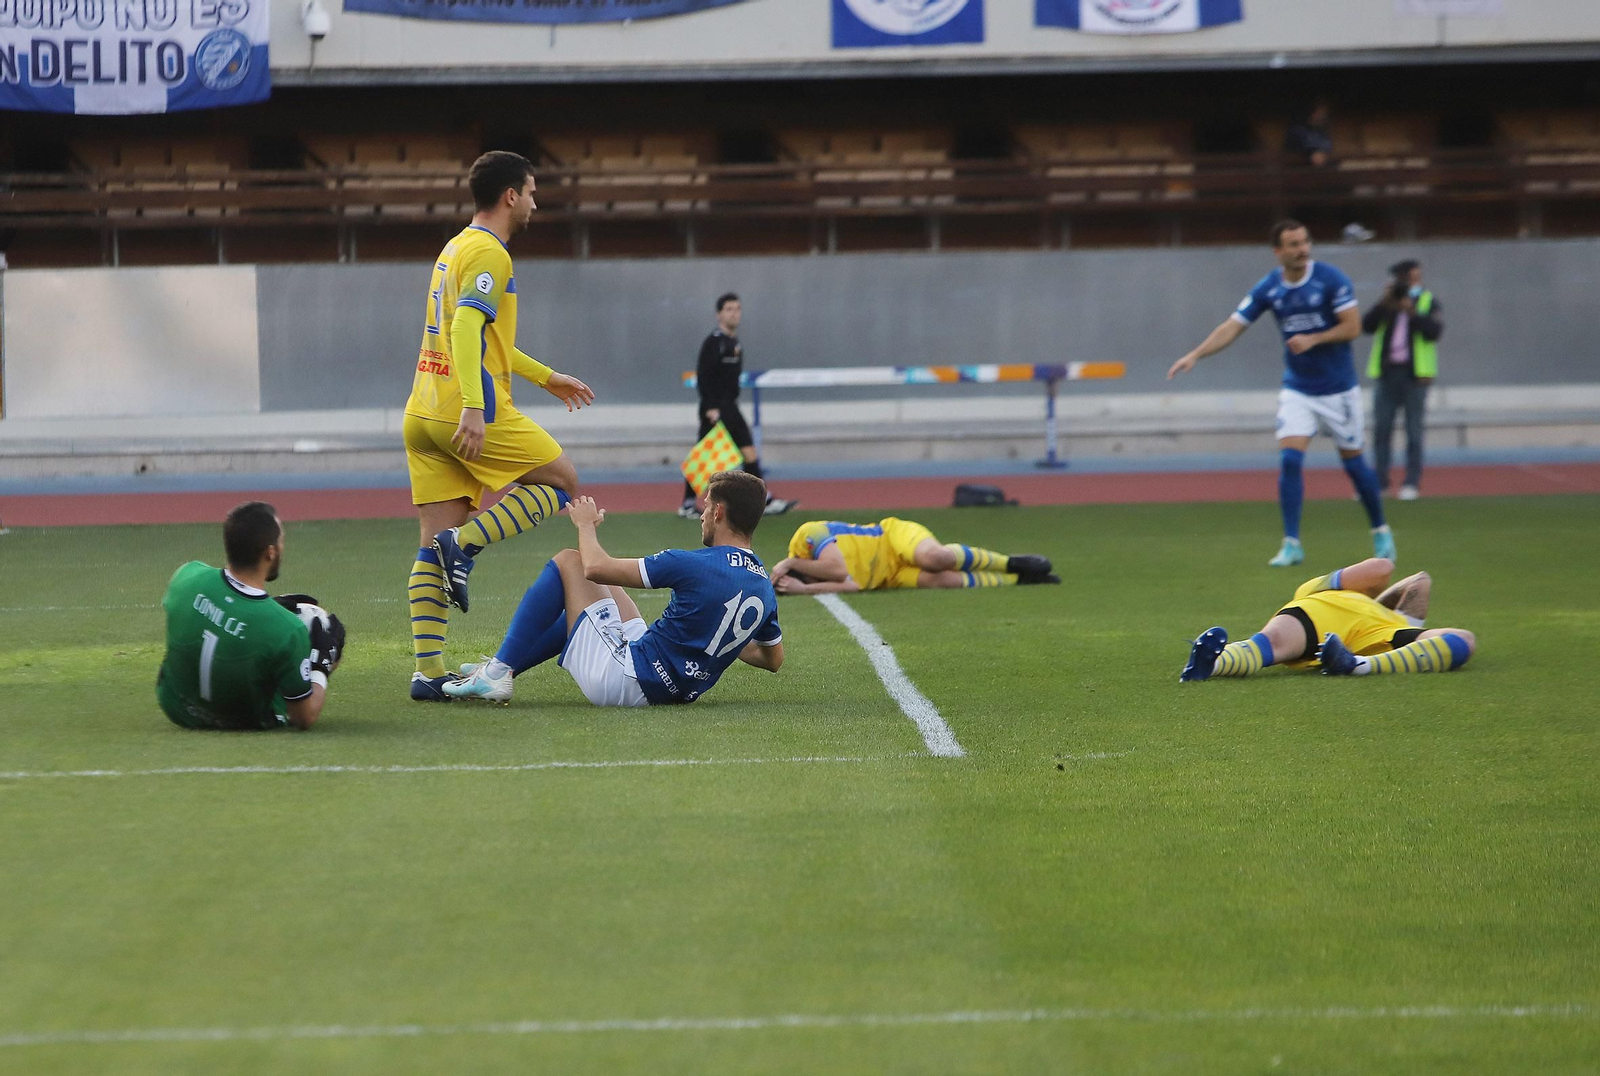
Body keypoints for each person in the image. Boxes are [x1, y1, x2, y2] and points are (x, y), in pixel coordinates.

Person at [403, 150, 597, 702]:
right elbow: (466, 329)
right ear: (511, 195)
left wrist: (545, 377)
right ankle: (462, 544)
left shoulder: (455, 247)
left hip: (421, 409)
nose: (536, 202)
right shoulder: (493, 253)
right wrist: (472, 407)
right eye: (532, 192)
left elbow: (489, 339)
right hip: (464, 407)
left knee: (426, 547)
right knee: (560, 480)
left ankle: (429, 672)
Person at [1168, 219, 1396, 567]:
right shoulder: (1270, 288)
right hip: (1298, 389)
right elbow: (1233, 326)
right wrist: (1195, 354)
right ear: (1278, 252)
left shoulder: (1331, 279)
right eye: (1293, 244)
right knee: (1290, 460)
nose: (1302, 249)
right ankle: (1292, 544)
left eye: (1305, 242)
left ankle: (1381, 531)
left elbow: (1353, 327)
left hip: (1338, 389)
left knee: (1354, 465)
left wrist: (1314, 338)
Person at [447, 470, 783, 706]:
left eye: (707, 506)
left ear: (720, 512)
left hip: (628, 681)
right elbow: (772, 659)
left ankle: (497, 671)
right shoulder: (762, 584)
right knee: (603, 596)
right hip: (673, 688)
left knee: (570, 562)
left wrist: (585, 525)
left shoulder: (694, 563)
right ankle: (503, 666)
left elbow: (594, 566)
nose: (702, 515)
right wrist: (715, 639)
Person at [156, 501, 344, 731]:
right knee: (314, 636)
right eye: (281, 540)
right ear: (270, 552)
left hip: (176, 707)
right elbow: (304, 717)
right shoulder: (287, 631)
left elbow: (214, 617)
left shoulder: (186, 577)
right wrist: (321, 664)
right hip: (244, 721)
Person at [1179, 557, 1475, 681]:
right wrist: (1384, 599)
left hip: (1358, 634)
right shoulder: (1324, 588)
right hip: (1321, 611)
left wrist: (1399, 614)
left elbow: (1417, 582)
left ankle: (1357, 665)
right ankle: (1210, 663)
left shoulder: (1397, 626)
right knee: (1270, 643)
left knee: (1465, 640)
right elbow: (1388, 572)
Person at [679, 292, 795, 520]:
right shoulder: (714, 342)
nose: (735, 313)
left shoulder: (735, 343)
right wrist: (711, 406)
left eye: (737, 309)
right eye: (729, 309)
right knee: (704, 457)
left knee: (747, 453)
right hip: (716, 408)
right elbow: (704, 375)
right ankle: (687, 503)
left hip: (730, 406)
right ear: (719, 314)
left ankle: (764, 499)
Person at [769, 518, 1059, 593]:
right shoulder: (807, 577)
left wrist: (793, 563)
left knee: (936, 558)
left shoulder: (806, 535)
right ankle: (1017, 581)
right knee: (943, 581)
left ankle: (1010, 562)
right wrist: (804, 590)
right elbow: (850, 585)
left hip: (891, 537)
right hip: (888, 577)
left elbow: (835, 569)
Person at [1363, 259, 1442, 501]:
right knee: (1382, 430)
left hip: (1415, 375)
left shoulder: (1428, 301)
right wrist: (1385, 302)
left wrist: (1411, 310)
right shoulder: (1388, 304)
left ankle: (1411, 482)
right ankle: (1380, 481)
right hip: (1387, 374)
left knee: (1414, 431)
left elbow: (1433, 332)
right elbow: (1367, 326)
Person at [1285, 100, 1333, 168]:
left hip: (1322, 169)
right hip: (1300, 169)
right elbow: (1290, 154)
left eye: (1325, 114)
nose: (1323, 117)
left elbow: (1328, 149)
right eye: (1320, 113)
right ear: (1312, 113)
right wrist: (1310, 156)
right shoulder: (1297, 130)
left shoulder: (1322, 132)